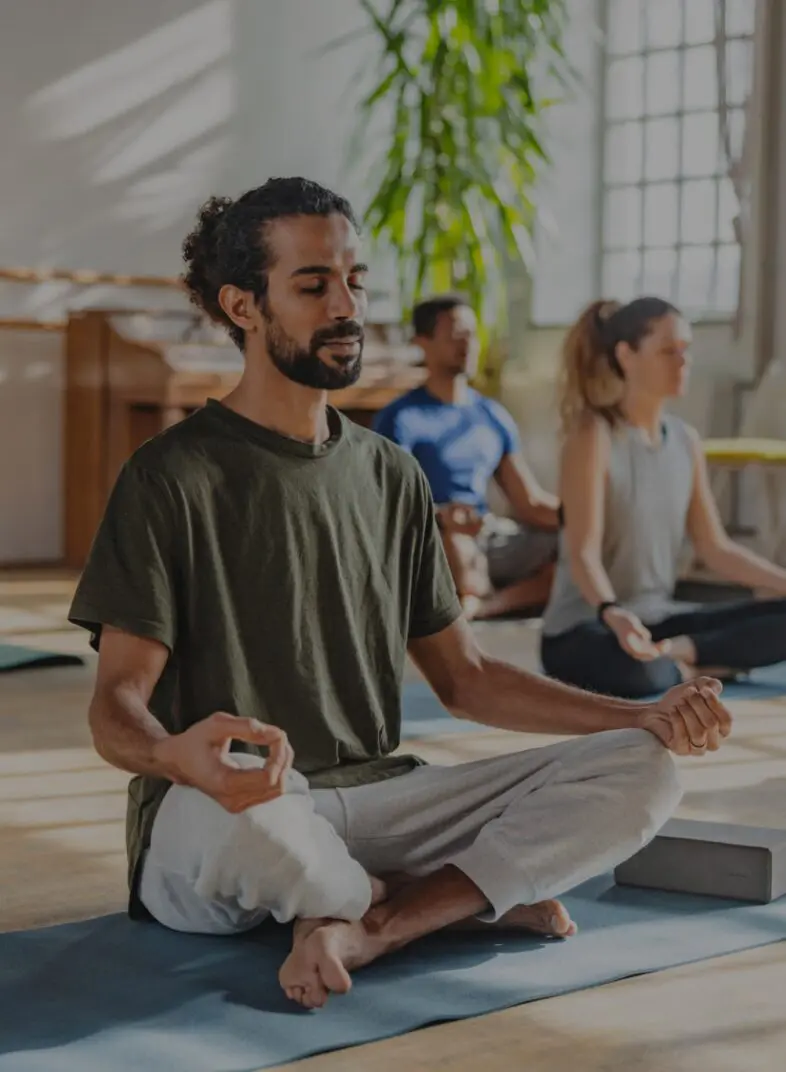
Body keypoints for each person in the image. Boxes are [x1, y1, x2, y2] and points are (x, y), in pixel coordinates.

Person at [70, 181, 732, 1012]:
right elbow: (114, 707)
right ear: (243, 305)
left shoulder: (391, 476)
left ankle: (371, 922)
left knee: (646, 772)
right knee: (264, 827)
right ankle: (443, 897)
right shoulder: (169, 477)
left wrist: (641, 716)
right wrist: (174, 756)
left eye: (356, 281)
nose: (347, 306)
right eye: (314, 286)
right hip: (230, 811)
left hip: (381, 793)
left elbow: (467, 680)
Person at [541, 296, 786, 699]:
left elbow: (715, 548)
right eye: (668, 351)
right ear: (627, 355)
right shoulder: (593, 436)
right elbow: (582, 553)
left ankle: (684, 656)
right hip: (587, 627)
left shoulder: (685, 441)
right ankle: (698, 663)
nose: (682, 362)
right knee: (641, 674)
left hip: (658, 620)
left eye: (686, 350)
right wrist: (611, 612)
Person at [374, 295, 559, 620]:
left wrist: (585, 519)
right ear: (423, 342)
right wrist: (440, 515)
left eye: (472, 334)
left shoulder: (492, 415)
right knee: (457, 542)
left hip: (488, 533)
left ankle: (483, 607)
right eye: (456, 334)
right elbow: (390, 501)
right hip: (436, 536)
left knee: (574, 547)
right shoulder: (400, 417)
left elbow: (529, 502)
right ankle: (470, 599)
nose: (468, 344)